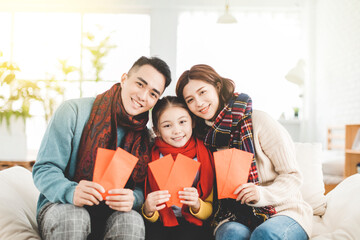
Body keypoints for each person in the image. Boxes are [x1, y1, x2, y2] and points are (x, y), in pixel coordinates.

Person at [32, 56, 171, 240]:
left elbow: (141, 188)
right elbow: (44, 168)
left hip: (112, 213)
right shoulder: (72, 111)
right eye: (140, 84)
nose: (143, 97)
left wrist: (134, 198)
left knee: (132, 221)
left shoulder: (146, 138)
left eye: (153, 94)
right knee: (75, 216)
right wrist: (71, 191)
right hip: (61, 206)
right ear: (124, 79)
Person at [176, 64, 313, 240]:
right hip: (235, 215)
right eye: (190, 100)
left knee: (264, 234)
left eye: (202, 92)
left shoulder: (259, 121)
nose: (199, 103)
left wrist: (261, 194)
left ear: (217, 87)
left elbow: (293, 175)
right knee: (231, 234)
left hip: (282, 210)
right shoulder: (203, 138)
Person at [142, 96, 214, 240]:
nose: (177, 130)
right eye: (167, 126)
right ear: (156, 130)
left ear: (192, 122)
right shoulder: (152, 156)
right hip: (161, 223)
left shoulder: (203, 155)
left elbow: (210, 209)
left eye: (182, 122)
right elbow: (150, 214)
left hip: (194, 223)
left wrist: (196, 204)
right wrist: (147, 209)